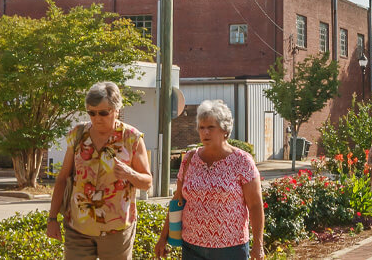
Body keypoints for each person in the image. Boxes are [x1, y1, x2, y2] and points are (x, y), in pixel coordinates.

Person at [47, 82, 153, 260]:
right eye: (91, 113)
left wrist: (129, 173)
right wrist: (52, 219)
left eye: (104, 113)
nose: (97, 118)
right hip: (78, 227)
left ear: (117, 110)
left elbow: (147, 182)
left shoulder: (131, 138)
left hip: (116, 229)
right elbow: (63, 178)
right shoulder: (78, 134)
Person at [155, 100, 264, 260]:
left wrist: (258, 245)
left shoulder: (242, 161)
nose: (205, 132)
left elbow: (255, 205)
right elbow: (177, 199)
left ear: (224, 130)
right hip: (192, 247)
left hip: (230, 248)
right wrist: (163, 238)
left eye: (211, 128)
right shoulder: (189, 159)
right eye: (201, 128)